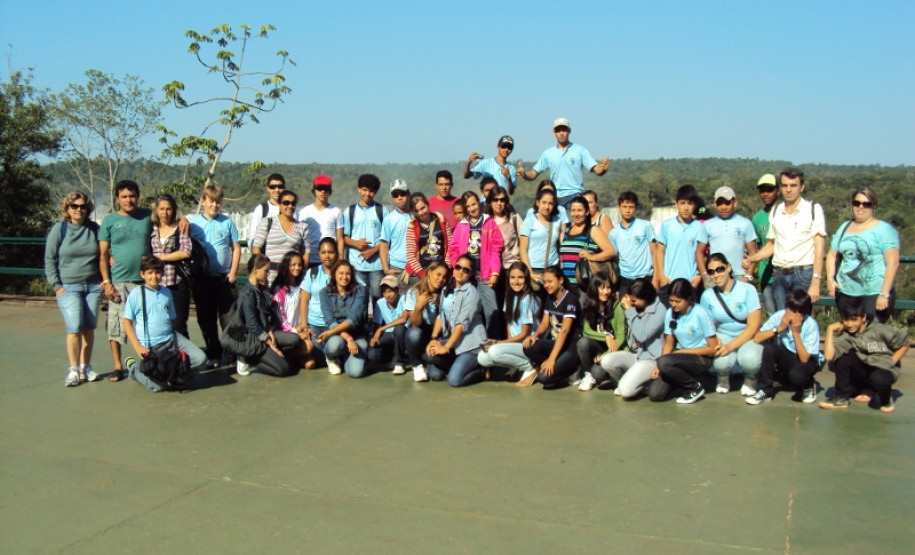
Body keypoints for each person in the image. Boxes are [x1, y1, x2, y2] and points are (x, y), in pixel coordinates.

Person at [744, 167, 826, 309]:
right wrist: (752, 258)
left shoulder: (813, 209)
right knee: (781, 320)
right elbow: (771, 245)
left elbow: (819, 249)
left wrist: (816, 282)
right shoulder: (776, 211)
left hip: (803, 274)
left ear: (802, 187)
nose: (789, 190)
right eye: (785, 185)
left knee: (799, 320)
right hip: (779, 274)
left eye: (793, 185)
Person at [122, 256, 206, 392]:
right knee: (158, 387)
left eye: (157, 272)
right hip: (151, 346)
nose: (154, 276)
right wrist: (138, 347)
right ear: (142, 274)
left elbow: (170, 318)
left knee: (200, 358)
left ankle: (175, 374)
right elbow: (127, 322)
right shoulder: (136, 295)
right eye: (149, 273)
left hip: (171, 339)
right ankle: (135, 369)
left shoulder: (166, 292)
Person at [45, 191, 103, 386]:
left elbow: (104, 254)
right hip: (69, 287)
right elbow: (50, 259)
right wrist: (57, 286)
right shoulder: (59, 230)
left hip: (93, 285)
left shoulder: (94, 229)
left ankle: (85, 366)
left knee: (89, 327)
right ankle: (73, 370)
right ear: (67, 209)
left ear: (88, 209)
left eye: (83, 206)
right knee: (74, 327)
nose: (79, 210)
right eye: (75, 206)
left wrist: (105, 277)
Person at [99, 180, 153, 382]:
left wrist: (183, 221)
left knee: (145, 324)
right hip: (118, 282)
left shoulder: (148, 216)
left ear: (138, 196)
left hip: (143, 282)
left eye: (132, 196)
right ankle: (117, 365)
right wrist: (106, 282)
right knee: (116, 325)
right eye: (124, 196)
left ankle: (145, 361)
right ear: (117, 199)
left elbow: (168, 220)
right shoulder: (109, 221)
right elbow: (103, 254)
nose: (128, 200)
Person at [820, 298, 908, 413]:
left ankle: (886, 399)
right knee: (843, 358)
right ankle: (841, 397)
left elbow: (904, 344)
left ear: (864, 318)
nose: (850, 324)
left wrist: (891, 361)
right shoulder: (847, 335)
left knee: (879, 379)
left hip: (883, 368)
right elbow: (829, 356)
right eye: (846, 319)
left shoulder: (880, 330)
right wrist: (830, 330)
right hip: (865, 369)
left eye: (854, 319)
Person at [825, 187, 900, 324]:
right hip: (846, 294)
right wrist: (830, 279)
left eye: (866, 204)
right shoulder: (845, 227)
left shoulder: (883, 230)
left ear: (874, 206)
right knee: (851, 334)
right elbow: (831, 255)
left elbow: (893, 262)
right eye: (857, 203)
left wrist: (884, 294)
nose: (861, 207)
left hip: (874, 294)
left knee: (870, 335)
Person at [189, 184, 241, 369]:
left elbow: (236, 248)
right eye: (211, 201)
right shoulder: (193, 224)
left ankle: (232, 356)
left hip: (224, 279)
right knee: (206, 320)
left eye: (218, 202)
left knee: (229, 320)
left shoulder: (227, 222)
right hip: (202, 279)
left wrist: (234, 271)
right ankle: (214, 354)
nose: (215, 205)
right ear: (203, 201)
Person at [699, 253, 763, 396]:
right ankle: (723, 377)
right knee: (721, 362)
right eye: (711, 272)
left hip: (748, 334)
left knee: (750, 360)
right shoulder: (707, 296)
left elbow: (753, 326)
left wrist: (730, 347)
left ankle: (751, 379)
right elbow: (707, 326)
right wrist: (717, 340)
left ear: (728, 268)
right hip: (724, 333)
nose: (716, 275)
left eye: (719, 269)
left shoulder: (747, 290)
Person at [746, 289, 822, 405]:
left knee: (797, 375)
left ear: (803, 313)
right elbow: (757, 338)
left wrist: (796, 332)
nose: (792, 315)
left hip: (807, 360)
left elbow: (805, 359)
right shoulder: (779, 316)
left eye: (797, 312)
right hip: (788, 356)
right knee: (770, 348)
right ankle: (765, 390)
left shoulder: (810, 325)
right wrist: (779, 328)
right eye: (790, 310)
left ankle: (809, 386)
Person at [422, 254, 487, 387]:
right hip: (455, 343)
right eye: (458, 267)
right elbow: (441, 316)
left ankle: (481, 370)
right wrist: (434, 338)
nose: (461, 272)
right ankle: (455, 365)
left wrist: (445, 347)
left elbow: (461, 325)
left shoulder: (472, 293)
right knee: (430, 357)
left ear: (471, 273)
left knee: (454, 381)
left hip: (471, 345)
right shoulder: (446, 289)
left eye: (466, 270)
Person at [650, 279, 719, 404]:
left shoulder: (701, 313)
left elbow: (713, 348)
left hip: (701, 359)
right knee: (655, 394)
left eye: (678, 301)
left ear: (689, 299)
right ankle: (681, 381)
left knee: (665, 362)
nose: (674, 305)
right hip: (679, 357)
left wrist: (683, 352)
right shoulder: (670, 313)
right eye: (671, 301)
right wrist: (658, 365)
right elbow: (669, 343)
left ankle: (694, 387)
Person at [517, 117, 610, 210]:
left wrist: (603, 169)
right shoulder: (548, 153)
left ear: (569, 131)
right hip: (555, 197)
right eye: (558, 130)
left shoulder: (580, 150)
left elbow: (597, 169)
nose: (561, 133)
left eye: (564, 129)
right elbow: (533, 174)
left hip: (575, 195)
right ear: (554, 132)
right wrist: (524, 174)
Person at [233, 254, 303, 377]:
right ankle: (248, 356)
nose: (268, 274)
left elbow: (266, 315)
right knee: (283, 369)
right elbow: (252, 324)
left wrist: (270, 329)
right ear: (255, 270)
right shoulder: (248, 294)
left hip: (266, 332)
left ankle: (269, 355)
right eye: (266, 271)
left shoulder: (260, 289)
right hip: (255, 338)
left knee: (295, 339)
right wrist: (270, 343)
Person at [599, 277, 666, 399]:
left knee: (625, 391)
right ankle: (627, 380)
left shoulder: (659, 310)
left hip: (650, 359)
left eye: (634, 301)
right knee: (607, 361)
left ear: (645, 299)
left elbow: (642, 335)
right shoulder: (636, 307)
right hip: (634, 355)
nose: (630, 302)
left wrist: (630, 310)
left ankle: (641, 385)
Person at [448, 191, 504, 338]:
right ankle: (466, 342)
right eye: (468, 206)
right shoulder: (461, 226)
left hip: (485, 273)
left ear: (479, 203)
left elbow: (496, 248)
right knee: (466, 308)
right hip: (465, 274)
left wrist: (495, 272)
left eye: (473, 204)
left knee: (491, 309)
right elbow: (453, 249)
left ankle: (493, 342)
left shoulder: (489, 222)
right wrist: (457, 266)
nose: (472, 208)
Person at [520, 267, 582, 388]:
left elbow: (564, 331)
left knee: (544, 379)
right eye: (545, 282)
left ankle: (569, 371)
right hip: (555, 343)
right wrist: (535, 335)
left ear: (560, 280)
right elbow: (544, 323)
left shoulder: (570, 300)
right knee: (528, 347)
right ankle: (551, 365)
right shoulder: (550, 297)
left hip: (571, 347)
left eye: (550, 281)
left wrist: (552, 359)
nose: (546, 285)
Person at [477, 262, 540, 379]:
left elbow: (524, 334)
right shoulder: (509, 296)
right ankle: (517, 366)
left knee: (495, 352)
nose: (516, 282)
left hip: (529, 347)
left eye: (520, 277)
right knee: (482, 357)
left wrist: (499, 343)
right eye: (512, 277)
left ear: (526, 278)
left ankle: (529, 367)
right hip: (515, 345)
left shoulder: (527, 299)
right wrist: (507, 342)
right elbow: (509, 323)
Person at [655, 185, 708, 306]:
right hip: (669, 282)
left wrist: (699, 276)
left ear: (694, 205)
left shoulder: (699, 227)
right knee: (669, 321)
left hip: (690, 283)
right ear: (676, 204)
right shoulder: (667, 225)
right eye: (682, 203)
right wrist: (661, 276)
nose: (686, 207)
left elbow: (703, 254)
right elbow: (660, 251)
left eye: (689, 203)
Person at [317, 260, 369, 378]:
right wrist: (348, 338)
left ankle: (347, 356)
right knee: (334, 344)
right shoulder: (324, 293)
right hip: (337, 335)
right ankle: (331, 357)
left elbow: (353, 319)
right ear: (334, 274)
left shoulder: (360, 290)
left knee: (355, 372)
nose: (344, 277)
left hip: (356, 334)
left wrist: (351, 339)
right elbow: (330, 321)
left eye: (348, 274)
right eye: (341, 273)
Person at [150, 194, 192, 339]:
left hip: (177, 283)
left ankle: (183, 358)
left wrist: (162, 258)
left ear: (174, 210)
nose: (165, 213)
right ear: (156, 210)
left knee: (178, 324)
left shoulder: (180, 229)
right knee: (158, 323)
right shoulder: (151, 229)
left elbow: (186, 252)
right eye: (161, 209)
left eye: (168, 209)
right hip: (156, 284)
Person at [342, 173, 387, 307]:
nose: (367, 194)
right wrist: (356, 243)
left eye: (371, 191)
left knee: (379, 300)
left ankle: (378, 327)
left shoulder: (382, 211)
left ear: (376, 192)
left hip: (377, 266)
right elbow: (343, 237)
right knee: (358, 300)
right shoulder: (349, 211)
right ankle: (360, 328)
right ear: (359, 189)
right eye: (364, 190)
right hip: (356, 265)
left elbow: (387, 239)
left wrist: (373, 250)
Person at [577, 273, 626, 391]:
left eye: (608, 287)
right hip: (600, 349)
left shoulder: (616, 307)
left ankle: (617, 377)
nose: (606, 292)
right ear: (594, 289)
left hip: (615, 350)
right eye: (602, 287)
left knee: (598, 372)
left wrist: (606, 355)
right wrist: (606, 337)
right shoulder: (589, 306)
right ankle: (588, 375)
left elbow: (621, 337)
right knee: (582, 343)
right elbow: (587, 331)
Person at [559, 195, 616, 296]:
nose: (576, 214)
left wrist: (592, 256)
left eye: (580, 210)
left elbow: (611, 252)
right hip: (567, 286)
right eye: (573, 210)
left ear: (587, 212)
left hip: (585, 287)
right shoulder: (567, 230)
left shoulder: (593, 230)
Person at [299, 237, 342, 369]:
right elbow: (304, 300)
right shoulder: (312, 273)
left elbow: (362, 289)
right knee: (319, 361)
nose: (327, 256)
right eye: (323, 253)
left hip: (335, 325)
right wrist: (305, 326)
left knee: (335, 351)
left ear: (337, 253)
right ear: (318, 254)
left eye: (331, 252)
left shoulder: (342, 272)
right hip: (315, 326)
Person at [251, 189, 310, 283]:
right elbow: (256, 247)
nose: (290, 206)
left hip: (292, 276)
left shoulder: (302, 227)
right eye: (286, 203)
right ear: (279, 204)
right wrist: (261, 272)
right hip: (270, 277)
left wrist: (301, 272)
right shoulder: (267, 223)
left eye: (293, 203)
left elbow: (306, 252)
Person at [403, 261, 449, 382]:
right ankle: (417, 365)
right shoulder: (414, 291)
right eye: (438, 274)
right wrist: (419, 306)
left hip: (436, 336)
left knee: (437, 375)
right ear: (429, 272)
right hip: (420, 334)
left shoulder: (445, 293)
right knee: (413, 334)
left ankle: (426, 359)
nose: (441, 279)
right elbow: (415, 324)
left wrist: (436, 340)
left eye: (444, 277)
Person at [704, 186, 757, 283]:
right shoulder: (708, 225)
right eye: (720, 203)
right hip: (715, 275)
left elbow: (753, 253)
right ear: (715, 204)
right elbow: (700, 252)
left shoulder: (745, 223)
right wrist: (704, 275)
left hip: (739, 275)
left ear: (735, 203)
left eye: (727, 203)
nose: (723, 207)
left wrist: (748, 276)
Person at [609, 191, 657, 296]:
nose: (627, 210)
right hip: (625, 279)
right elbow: (614, 259)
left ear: (635, 207)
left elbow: (655, 251)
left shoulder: (645, 226)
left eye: (631, 207)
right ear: (619, 207)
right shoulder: (613, 233)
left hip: (645, 277)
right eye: (624, 206)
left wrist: (656, 277)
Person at [270, 251, 310, 364]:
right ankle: (283, 355)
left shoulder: (302, 285)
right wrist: (294, 331)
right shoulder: (279, 288)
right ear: (286, 266)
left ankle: (291, 358)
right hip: (286, 332)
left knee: (310, 363)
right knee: (308, 346)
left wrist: (304, 326)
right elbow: (280, 317)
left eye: (299, 265)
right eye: (293, 265)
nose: (297, 268)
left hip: (300, 328)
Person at [520, 187, 565, 285]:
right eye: (544, 202)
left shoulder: (558, 221)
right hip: (534, 269)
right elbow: (522, 250)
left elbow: (560, 244)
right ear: (538, 202)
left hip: (553, 269)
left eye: (550, 203)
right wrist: (530, 273)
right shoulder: (530, 221)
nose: (547, 207)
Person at [297, 174, 344, 265]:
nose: (322, 192)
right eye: (319, 189)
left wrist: (340, 257)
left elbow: (340, 238)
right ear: (314, 191)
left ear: (330, 192)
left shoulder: (336, 211)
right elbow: (300, 237)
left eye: (325, 189)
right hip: (309, 259)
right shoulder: (305, 212)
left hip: (330, 259)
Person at [405, 192, 451, 281]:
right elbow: (411, 255)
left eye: (423, 208)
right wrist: (423, 275)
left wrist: (447, 265)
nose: (421, 213)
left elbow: (451, 244)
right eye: (416, 211)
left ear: (428, 204)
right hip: (424, 271)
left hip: (442, 269)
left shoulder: (441, 220)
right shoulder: (412, 227)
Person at [367, 275, 408, 375]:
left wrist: (381, 329)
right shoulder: (380, 303)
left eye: (390, 291)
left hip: (404, 334)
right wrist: (375, 338)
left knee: (399, 329)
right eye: (384, 291)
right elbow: (377, 325)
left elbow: (403, 319)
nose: (387, 295)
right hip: (389, 335)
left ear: (398, 289)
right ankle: (392, 357)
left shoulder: (404, 299)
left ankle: (399, 362)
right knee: (372, 354)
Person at [751, 174, 780, 314]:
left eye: (769, 189)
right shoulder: (757, 218)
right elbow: (757, 246)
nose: (765, 194)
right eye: (762, 190)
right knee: (771, 315)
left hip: (784, 274)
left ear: (778, 191)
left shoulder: (785, 214)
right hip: (766, 274)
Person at [379, 179, 413, 281]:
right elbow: (384, 246)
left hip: (416, 267)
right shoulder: (389, 219)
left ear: (408, 194)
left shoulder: (417, 215)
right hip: (397, 268)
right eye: (395, 195)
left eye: (402, 194)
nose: (400, 198)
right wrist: (386, 269)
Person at [246, 173, 286, 248]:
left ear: (284, 188)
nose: (277, 190)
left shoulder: (291, 210)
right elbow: (252, 237)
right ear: (267, 188)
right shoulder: (261, 210)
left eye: (280, 187)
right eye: (273, 187)